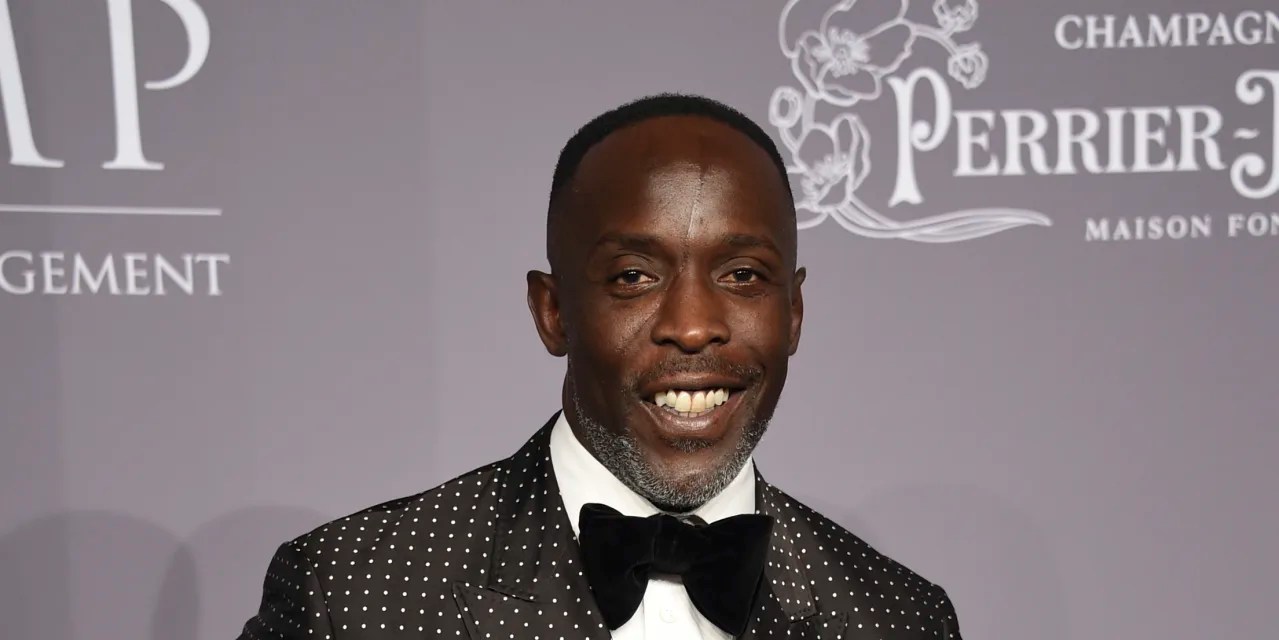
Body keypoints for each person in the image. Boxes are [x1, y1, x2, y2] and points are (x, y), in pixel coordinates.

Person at [239, 94, 963, 640]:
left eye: (743, 275)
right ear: (553, 312)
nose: (692, 326)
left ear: (794, 313)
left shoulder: (899, 618)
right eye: (633, 277)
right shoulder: (352, 597)